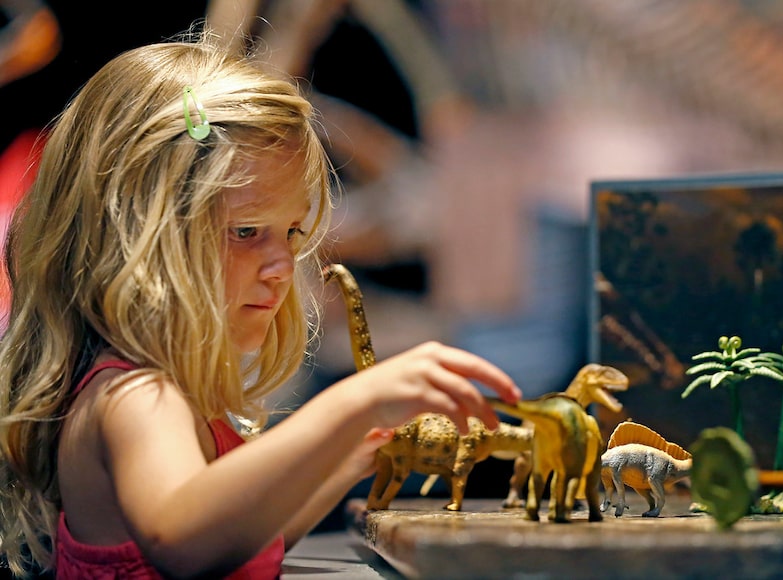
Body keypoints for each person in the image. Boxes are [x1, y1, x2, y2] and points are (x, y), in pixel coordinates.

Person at [0, 29, 521, 579]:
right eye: (247, 231)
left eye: (293, 232)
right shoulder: (134, 395)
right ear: (139, 233)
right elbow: (182, 540)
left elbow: (239, 539)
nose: (283, 265)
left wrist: (351, 455)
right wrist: (352, 403)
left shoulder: (176, 395)